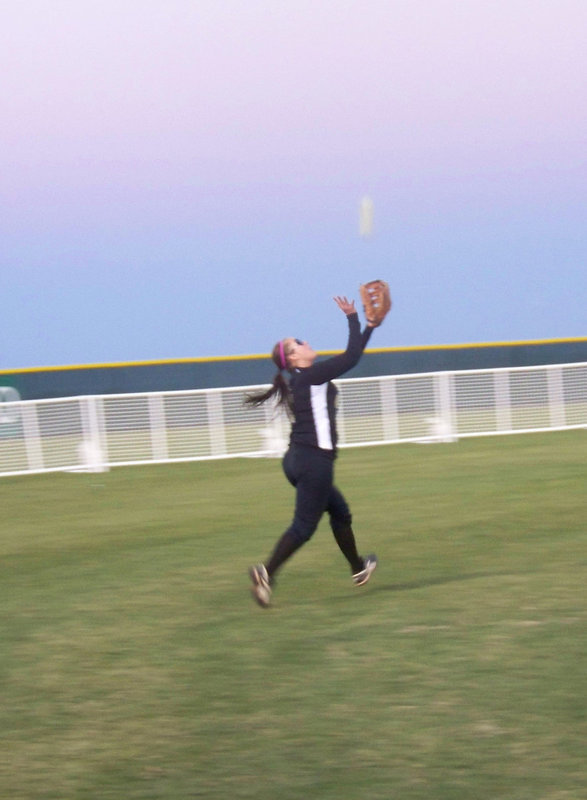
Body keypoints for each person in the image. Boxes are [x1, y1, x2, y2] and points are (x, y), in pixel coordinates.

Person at [245, 294, 381, 608]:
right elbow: (351, 358)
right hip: (313, 461)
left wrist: (368, 324)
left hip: (296, 460)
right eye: (298, 343)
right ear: (293, 359)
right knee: (304, 527)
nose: (306, 343)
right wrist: (357, 321)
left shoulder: (302, 379)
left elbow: (349, 358)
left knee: (340, 512)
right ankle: (266, 573)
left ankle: (358, 568)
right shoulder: (310, 377)